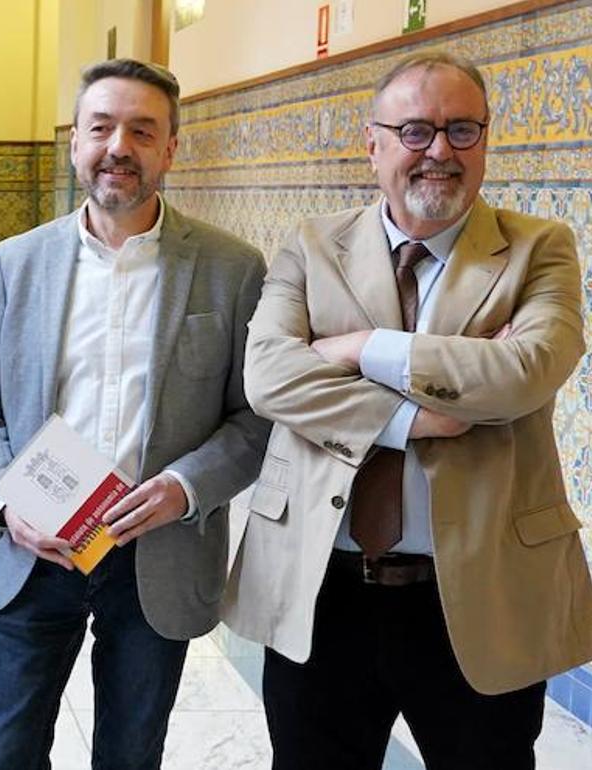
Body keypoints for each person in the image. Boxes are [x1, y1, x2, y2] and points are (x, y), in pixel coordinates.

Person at [221, 50, 592, 769]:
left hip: (479, 597)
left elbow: (526, 373)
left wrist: (360, 346)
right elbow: (269, 377)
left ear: (485, 140)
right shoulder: (310, 245)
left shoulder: (540, 249)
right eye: (416, 131)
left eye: (462, 130)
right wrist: (417, 416)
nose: (440, 153)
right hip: (322, 591)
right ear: (374, 144)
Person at [0, 58, 270, 769]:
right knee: (3, 753)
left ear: (171, 148)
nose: (118, 146)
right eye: (101, 127)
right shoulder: (18, 261)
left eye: (142, 130)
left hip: (156, 556)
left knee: (131, 755)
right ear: (76, 142)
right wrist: (8, 507)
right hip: (35, 549)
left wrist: (184, 488)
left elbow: (253, 420)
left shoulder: (232, 268)